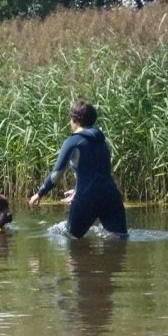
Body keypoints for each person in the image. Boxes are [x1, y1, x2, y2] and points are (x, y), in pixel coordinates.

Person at [29, 101, 127, 238]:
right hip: (111, 196)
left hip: (87, 198)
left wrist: (39, 193)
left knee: (69, 238)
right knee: (119, 240)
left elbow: (56, 174)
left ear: (75, 120)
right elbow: (97, 173)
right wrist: (77, 189)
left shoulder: (73, 141)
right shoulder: (102, 141)